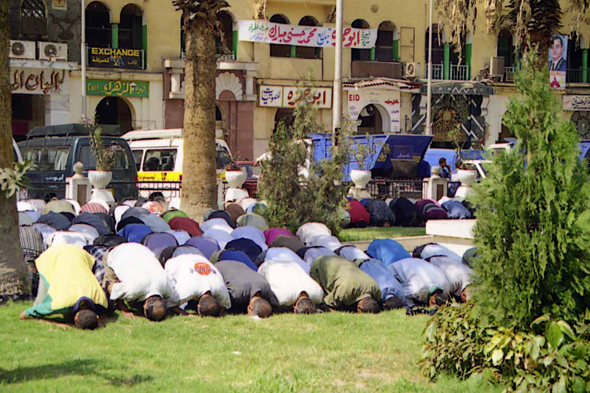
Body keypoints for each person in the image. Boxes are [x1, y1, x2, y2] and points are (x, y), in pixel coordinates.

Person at [19, 245, 109, 330]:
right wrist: (60, 324)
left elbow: (107, 312)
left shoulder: (101, 300)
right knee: (38, 306)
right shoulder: (59, 304)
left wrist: (99, 321)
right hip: (51, 257)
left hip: (80, 252)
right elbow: (24, 315)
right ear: (75, 319)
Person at [103, 243, 173, 321]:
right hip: (116, 253)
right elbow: (111, 288)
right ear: (145, 307)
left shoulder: (167, 289)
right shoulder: (132, 290)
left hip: (141, 248)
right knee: (108, 293)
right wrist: (125, 310)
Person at [164, 254, 230, 317]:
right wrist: (186, 314)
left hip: (201, 258)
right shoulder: (187, 290)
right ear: (198, 307)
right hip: (176, 262)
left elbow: (224, 305)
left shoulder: (220, 289)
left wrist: (218, 314)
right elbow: (169, 303)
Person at [309, 256, 382, 313]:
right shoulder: (344, 292)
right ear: (359, 308)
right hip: (321, 263)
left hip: (343, 261)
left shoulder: (376, 289)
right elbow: (325, 304)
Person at [214, 259, 280, 317]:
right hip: (218, 268)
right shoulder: (236, 294)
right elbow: (222, 303)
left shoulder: (267, 288)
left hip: (240, 265)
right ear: (250, 308)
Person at [258, 258, 323, 314]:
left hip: (292, 263)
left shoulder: (318, 293)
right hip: (267, 265)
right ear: (295, 308)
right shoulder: (283, 298)